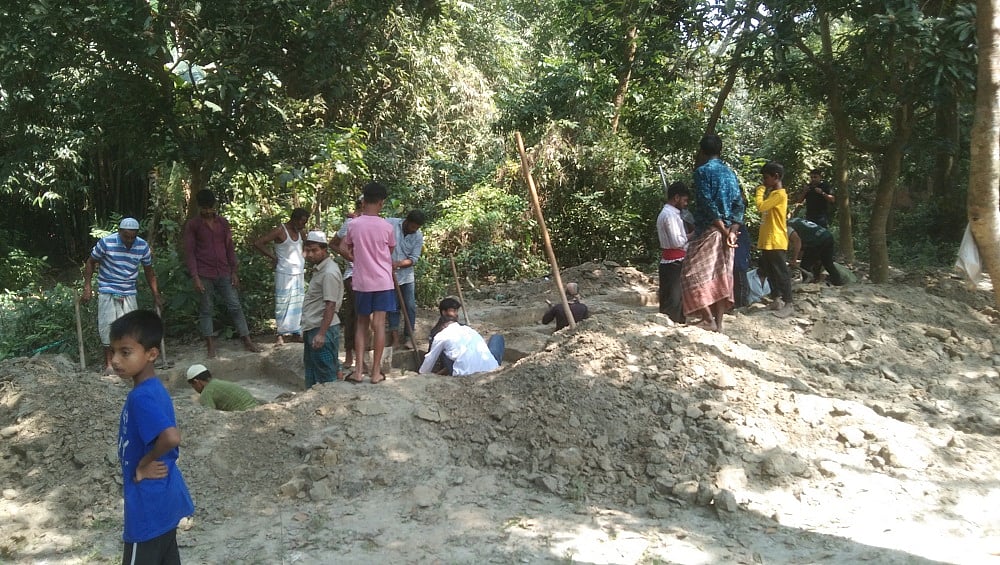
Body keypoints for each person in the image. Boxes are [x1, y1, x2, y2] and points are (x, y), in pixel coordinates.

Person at [111, 310, 194, 565]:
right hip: (162, 500)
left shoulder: (141, 397)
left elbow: (170, 437)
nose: (115, 360)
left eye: (125, 352)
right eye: (113, 351)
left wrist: (144, 463)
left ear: (151, 354)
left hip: (147, 507)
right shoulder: (152, 388)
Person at [184, 189, 260, 358]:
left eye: (209, 207)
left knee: (235, 306)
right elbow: (189, 252)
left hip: (224, 271)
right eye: (204, 208)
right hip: (204, 273)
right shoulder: (193, 225)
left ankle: (247, 339)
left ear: (214, 206)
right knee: (206, 309)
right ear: (199, 207)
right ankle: (210, 345)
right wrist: (195, 277)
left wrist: (234, 271)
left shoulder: (223, 223)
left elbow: (229, 248)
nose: (207, 211)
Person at [681, 133, 745, 332]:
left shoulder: (702, 172)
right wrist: (733, 229)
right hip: (728, 234)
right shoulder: (730, 173)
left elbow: (708, 204)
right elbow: (739, 204)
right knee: (721, 276)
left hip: (710, 231)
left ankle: (707, 318)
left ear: (702, 151)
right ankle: (718, 323)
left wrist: (724, 231)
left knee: (690, 274)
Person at [82, 217, 162, 374]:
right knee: (107, 326)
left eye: (133, 237)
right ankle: (109, 364)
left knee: (132, 329)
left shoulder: (142, 246)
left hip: (129, 290)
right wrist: (87, 287)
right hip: (108, 288)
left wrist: (156, 294)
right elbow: (90, 262)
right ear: (119, 232)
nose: (129, 240)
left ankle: (131, 362)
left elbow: (149, 271)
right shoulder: (106, 243)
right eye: (126, 236)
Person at [338, 182, 396, 384]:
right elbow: (389, 252)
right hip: (383, 282)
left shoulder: (354, 225)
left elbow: (344, 248)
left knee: (361, 325)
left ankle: (358, 371)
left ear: (364, 201)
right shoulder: (387, 227)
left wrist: (357, 258)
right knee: (379, 325)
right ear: (381, 203)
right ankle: (376, 373)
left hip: (362, 282)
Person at [253, 207, 309, 345]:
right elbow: (258, 243)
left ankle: (296, 332)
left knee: (298, 303)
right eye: (302, 222)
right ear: (294, 219)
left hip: (298, 272)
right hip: (284, 272)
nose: (303, 225)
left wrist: (303, 258)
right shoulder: (280, 230)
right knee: (282, 302)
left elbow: (307, 245)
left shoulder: (301, 232)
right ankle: (281, 333)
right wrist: (273, 257)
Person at [301, 230, 344, 387]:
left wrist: (321, 334)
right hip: (314, 325)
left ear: (324, 250)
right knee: (312, 369)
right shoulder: (321, 269)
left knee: (326, 375)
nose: (310, 254)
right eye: (308, 250)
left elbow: (330, 305)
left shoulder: (329, 273)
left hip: (322, 328)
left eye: (314, 250)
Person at [419, 298, 502, 376]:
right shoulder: (468, 329)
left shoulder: (441, 336)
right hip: (491, 367)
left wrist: (422, 374)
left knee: (444, 350)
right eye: (453, 311)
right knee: (497, 338)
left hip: (464, 372)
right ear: (444, 312)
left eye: (456, 311)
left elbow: (430, 359)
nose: (456, 314)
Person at [755, 162, 793, 317]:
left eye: (766, 178)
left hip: (776, 240)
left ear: (776, 177)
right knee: (769, 270)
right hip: (768, 241)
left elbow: (761, 207)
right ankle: (776, 299)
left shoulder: (779, 195)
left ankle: (789, 302)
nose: (764, 181)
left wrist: (759, 191)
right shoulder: (773, 195)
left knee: (780, 272)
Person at [387, 210, 426, 349]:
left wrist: (397, 264)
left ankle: (409, 337)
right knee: (393, 307)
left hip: (407, 276)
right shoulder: (390, 223)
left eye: (417, 228)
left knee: (410, 306)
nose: (414, 230)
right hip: (388, 275)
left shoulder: (418, 236)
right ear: (406, 221)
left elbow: (413, 259)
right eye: (412, 227)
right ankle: (395, 339)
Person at [332, 197, 362, 372]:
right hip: (353, 275)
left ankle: (357, 356)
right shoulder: (350, 223)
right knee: (357, 317)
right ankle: (353, 356)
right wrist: (351, 258)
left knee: (358, 316)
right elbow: (334, 244)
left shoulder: (372, 222)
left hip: (367, 276)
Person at [656, 182, 691, 323]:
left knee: (672, 299)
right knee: (674, 301)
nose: (685, 204)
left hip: (671, 262)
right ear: (676, 198)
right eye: (684, 200)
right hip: (674, 264)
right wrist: (693, 235)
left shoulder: (669, 214)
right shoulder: (670, 216)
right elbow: (677, 242)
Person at [788, 217, 846, 286]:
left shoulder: (787, 227)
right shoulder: (795, 220)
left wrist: (794, 259)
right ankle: (838, 282)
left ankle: (806, 284)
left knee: (805, 266)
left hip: (817, 241)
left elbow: (797, 241)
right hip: (827, 236)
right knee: (827, 263)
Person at [185, 363, 259, 411]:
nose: (194, 389)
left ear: (196, 381)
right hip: (256, 407)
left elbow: (209, 414)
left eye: (193, 386)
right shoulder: (216, 382)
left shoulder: (206, 393)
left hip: (245, 413)